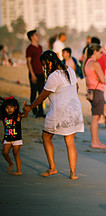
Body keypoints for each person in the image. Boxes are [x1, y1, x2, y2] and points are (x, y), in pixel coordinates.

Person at [23, 50, 84, 179]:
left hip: (59, 112)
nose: (44, 67)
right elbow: (76, 88)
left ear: (51, 62)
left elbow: (42, 97)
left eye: (45, 64)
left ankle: (52, 168)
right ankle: (73, 173)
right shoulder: (70, 70)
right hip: (74, 110)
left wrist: (29, 108)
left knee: (46, 136)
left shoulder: (54, 76)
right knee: (70, 141)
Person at [84, 41, 106, 149]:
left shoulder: (87, 63)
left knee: (96, 116)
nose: (101, 54)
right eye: (100, 52)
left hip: (91, 91)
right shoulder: (95, 63)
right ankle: (95, 142)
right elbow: (102, 79)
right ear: (95, 52)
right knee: (96, 118)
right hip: (97, 91)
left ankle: (96, 141)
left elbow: (87, 80)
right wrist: (103, 77)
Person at [2, 97, 28, 175]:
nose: (9, 109)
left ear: (15, 107)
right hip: (7, 138)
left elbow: (25, 115)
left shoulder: (17, 115)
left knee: (16, 153)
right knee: (4, 153)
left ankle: (19, 170)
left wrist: (25, 109)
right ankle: (10, 163)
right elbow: (6, 128)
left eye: (11, 107)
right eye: (7, 108)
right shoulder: (5, 116)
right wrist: (4, 137)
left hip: (17, 139)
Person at [25, 29, 46, 118]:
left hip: (41, 73)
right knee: (33, 93)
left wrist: (44, 72)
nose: (38, 36)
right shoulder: (30, 48)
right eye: (36, 35)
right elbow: (29, 62)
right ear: (32, 37)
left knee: (41, 93)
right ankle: (35, 112)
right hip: (34, 73)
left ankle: (41, 111)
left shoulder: (40, 47)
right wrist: (32, 74)